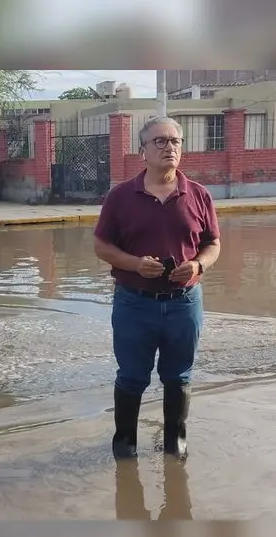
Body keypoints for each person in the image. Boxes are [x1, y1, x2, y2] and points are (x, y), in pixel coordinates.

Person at [93, 116, 221, 460]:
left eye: (175, 141)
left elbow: (213, 244)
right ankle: (124, 446)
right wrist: (135, 264)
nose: (169, 148)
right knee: (132, 376)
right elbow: (101, 247)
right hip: (135, 304)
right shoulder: (121, 196)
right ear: (142, 152)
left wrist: (197, 265)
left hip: (184, 304)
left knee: (178, 376)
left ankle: (174, 445)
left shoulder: (198, 195)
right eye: (160, 142)